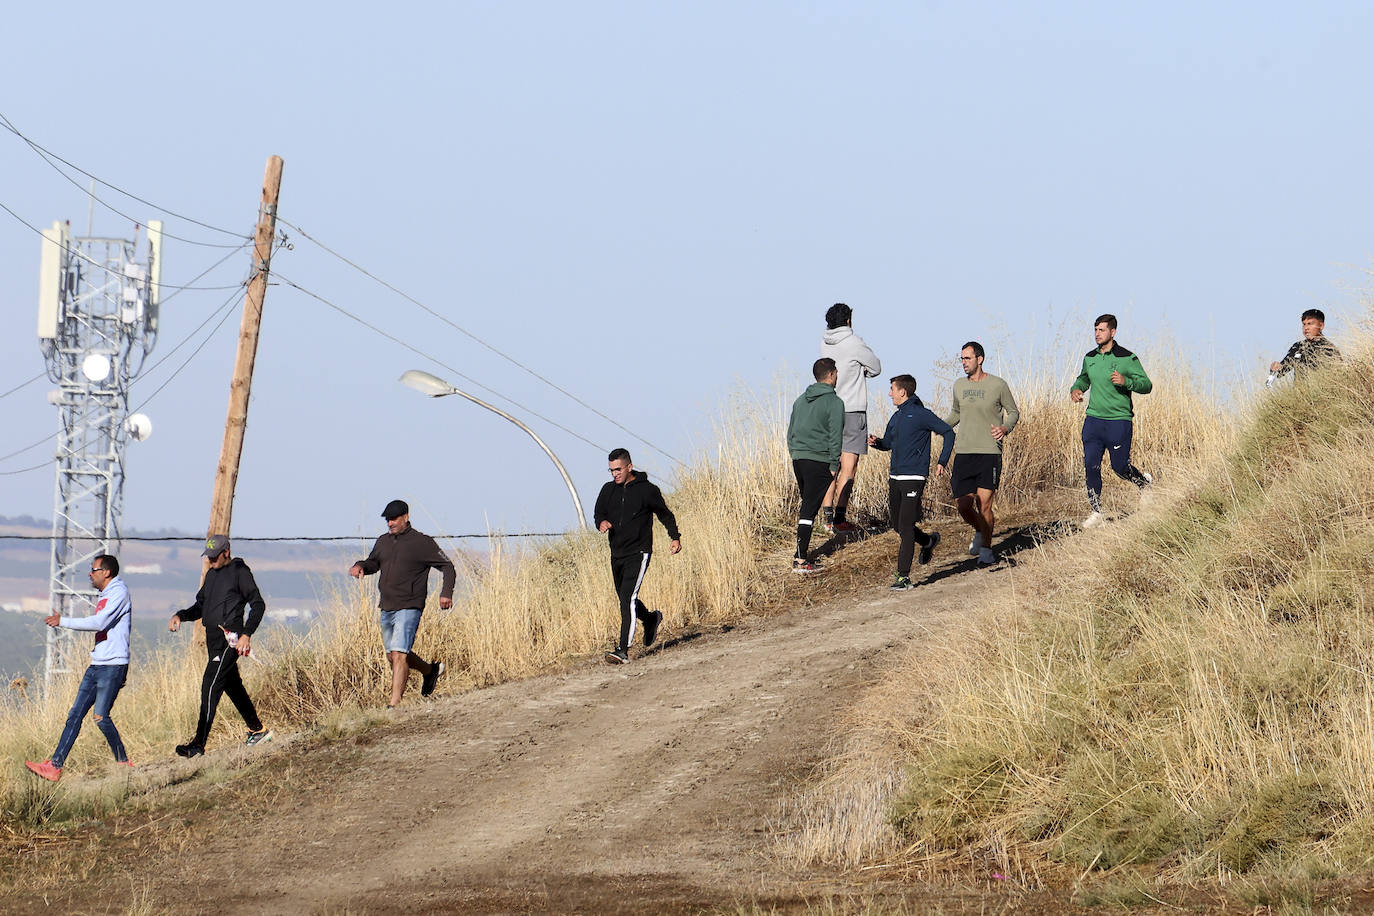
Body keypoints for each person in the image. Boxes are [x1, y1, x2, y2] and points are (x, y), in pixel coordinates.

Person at [25, 554, 133, 781]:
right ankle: (55, 766)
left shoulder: (119, 593)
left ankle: (123, 762)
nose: (89, 574)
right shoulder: (106, 594)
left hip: (113, 666)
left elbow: (99, 622)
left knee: (100, 717)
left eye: (93, 570)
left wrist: (63, 621)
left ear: (106, 572)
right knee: (75, 714)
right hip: (97, 664)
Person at [169, 536, 273, 757]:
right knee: (231, 685)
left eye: (215, 556)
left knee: (210, 684)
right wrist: (180, 615)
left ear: (227, 551)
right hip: (212, 640)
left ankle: (198, 743)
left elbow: (258, 604)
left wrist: (246, 634)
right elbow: (200, 607)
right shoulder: (212, 575)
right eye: (208, 557)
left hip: (230, 638)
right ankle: (257, 730)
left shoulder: (239, 571)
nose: (211, 560)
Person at [349, 501, 456, 708]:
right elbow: (374, 563)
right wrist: (361, 566)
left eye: (394, 519)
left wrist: (446, 593)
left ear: (405, 517)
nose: (390, 523)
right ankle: (430, 671)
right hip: (387, 606)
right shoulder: (383, 541)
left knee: (399, 654)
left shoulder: (422, 542)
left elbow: (448, 567)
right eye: (387, 520)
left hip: (410, 605)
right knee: (392, 655)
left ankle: (394, 705)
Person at [594, 448, 682, 664]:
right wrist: (601, 523)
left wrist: (675, 537)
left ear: (629, 467)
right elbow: (599, 513)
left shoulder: (647, 490)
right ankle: (650, 619)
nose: (614, 474)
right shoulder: (608, 490)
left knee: (628, 599)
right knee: (625, 598)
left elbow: (664, 514)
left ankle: (622, 651)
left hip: (639, 552)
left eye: (618, 469)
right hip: (617, 553)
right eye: (611, 470)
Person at [868, 374, 955, 589]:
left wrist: (942, 460)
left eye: (892, 390)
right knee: (897, 525)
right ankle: (928, 541)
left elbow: (948, 433)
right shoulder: (896, 417)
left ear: (902, 392)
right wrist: (876, 442)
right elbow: (888, 443)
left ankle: (903, 577)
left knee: (906, 527)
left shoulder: (921, 414)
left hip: (914, 477)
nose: (890, 393)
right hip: (895, 476)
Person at [1070, 314, 1154, 529]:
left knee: (1119, 467)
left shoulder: (1128, 358)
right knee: (1091, 465)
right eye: (1096, 330)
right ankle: (1096, 511)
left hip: (1119, 421)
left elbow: (1146, 385)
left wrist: (1126, 381)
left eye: (1102, 330)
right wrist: (1076, 389)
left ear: (1113, 332)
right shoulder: (1090, 357)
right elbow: (1084, 378)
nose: (1097, 334)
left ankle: (1143, 483)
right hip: (1094, 421)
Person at [944, 342, 1020, 567]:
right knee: (963, 506)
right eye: (962, 359)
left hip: (989, 452)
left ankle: (987, 550)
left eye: (967, 358)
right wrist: (937, 427)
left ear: (980, 359)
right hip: (964, 452)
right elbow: (956, 413)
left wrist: (1005, 428)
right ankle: (980, 530)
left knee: (984, 505)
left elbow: (1014, 412)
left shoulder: (998, 385)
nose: (964, 363)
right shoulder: (958, 385)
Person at [819, 303, 882, 533]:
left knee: (830, 464)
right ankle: (840, 518)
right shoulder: (854, 342)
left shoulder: (824, 343)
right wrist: (861, 372)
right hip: (853, 409)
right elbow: (876, 367)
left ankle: (826, 517)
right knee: (849, 466)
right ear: (848, 321)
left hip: (828, 409)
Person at [787, 358, 844, 573]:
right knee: (809, 508)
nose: (837, 377)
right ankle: (801, 560)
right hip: (819, 459)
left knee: (808, 504)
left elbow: (790, 431)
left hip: (799, 459)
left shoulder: (801, 400)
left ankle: (799, 554)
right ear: (831, 374)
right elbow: (835, 435)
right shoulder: (835, 402)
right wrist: (834, 463)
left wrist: (794, 452)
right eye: (836, 373)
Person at [1270, 308, 1341, 379]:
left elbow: (1338, 374)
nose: (1306, 328)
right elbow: (1282, 371)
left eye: (1310, 324)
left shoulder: (1329, 348)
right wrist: (1277, 367)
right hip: (1299, 389)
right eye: (1304, 324)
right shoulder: (1298, 346)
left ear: (1321, 326)